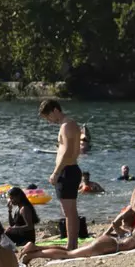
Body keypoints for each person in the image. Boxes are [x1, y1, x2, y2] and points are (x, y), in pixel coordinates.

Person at [38, 100, 83, 251]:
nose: (48, 121)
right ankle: (72, 243)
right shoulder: (70, 124)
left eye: (48, 116)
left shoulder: (66, 126)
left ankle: (71, 245)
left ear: (55, 110)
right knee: (70, 211)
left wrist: (56, 173)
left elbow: (67, 152)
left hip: (67, 170)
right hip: (71, 169)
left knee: (69, 211)